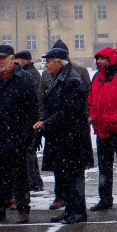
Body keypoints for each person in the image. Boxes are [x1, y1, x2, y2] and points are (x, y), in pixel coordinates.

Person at [0, 44, 39, 224]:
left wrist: (27, 132)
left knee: (19, 176)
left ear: (12, 58)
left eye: (2, 58)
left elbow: (32, 108)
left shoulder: (24, 79)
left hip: (17, 137)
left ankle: (23, 209)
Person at [35, 46, 94, 223]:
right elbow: (53, 106)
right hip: (62, 137)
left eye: (48, 62)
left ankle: (78, 212)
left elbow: (69, 111)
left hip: (72, 138)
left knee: (74, 175)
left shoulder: (71, 80)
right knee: (64, 176)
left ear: (59, 63)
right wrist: (45, 121)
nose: (45, 65)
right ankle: (69, 209)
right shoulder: (58, 78)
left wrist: (47, 123)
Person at [87, 47, 117, 212]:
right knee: (104, 167)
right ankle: (105, 199)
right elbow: (91, 101)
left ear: (111, 59)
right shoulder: (96, 78)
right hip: (102, 130)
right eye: (98, 59)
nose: (99, 62)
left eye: (103, 58)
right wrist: (93, 117)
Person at [14, 50, 46, 192]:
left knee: (28, 152)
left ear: (20, 61)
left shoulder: (28, 75)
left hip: (30, 120)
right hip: (32, 119)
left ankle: (33, 182)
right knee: (30, 151)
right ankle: (35, 181)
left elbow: (32, 100)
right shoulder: (34, 73)